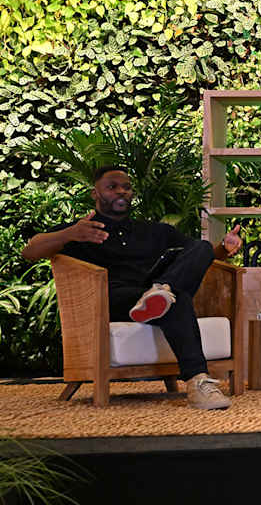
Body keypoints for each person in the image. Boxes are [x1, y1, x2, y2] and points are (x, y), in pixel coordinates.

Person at [22, 165, 242, 410]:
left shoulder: (152, 231)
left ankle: (162, 291)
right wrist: (70, 234)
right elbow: (30, 251)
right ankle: (197, 379)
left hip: (151, 293)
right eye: (112, 187)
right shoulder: (82, 230)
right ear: (95, 193)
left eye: (126, 187)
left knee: (195, 256)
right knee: (176, 300)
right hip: (113, 300)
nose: (121, 192)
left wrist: (224, 246)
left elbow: (205, 255)